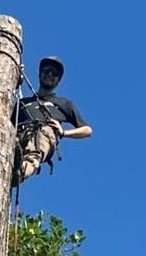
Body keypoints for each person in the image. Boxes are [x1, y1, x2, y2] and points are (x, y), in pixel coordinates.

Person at [13, 56, 92, 185]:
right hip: (18, 133)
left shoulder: (63, 103)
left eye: (54, 73)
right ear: (39, 74)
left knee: (33, 154)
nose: (50, 74)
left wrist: (63, 132)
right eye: (47, 70)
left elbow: (87, 130)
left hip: (43, 133)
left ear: (58, 81)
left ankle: (18, 174)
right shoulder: (22, 103)